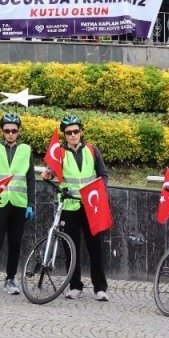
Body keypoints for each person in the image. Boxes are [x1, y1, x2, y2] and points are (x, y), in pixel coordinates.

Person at [40, 115, 111, 301]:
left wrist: (101, 191)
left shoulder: (92, 150)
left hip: (91, 206)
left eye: (76, 131)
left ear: (81, 131)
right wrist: (47, 174)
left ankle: (100, 288)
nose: (73, 135)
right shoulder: (59, 153)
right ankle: (75, 286)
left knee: (96, 248)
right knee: (71, 249)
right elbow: (51, 171)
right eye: (69, 132)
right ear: (64, 135)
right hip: (69, 206)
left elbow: (103, 175)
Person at [0, 113, 35, 295]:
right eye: (7, 130)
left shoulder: (26, 150)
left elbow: (30, 179)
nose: (10, 134)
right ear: (2, 131)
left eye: (14, 130)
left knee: (15, 243)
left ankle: (10, 279)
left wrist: (31, 203)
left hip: (19, 202)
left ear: (18, 131)